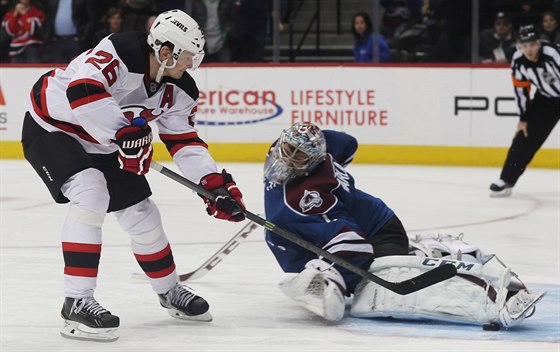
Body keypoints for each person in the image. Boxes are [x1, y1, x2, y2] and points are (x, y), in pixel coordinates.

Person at [20, 9, 246, 342]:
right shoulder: (120, 51)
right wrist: (123, 135)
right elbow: (82, 91)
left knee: (142, 211)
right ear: (165, 51)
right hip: (53, 128)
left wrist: (211, 184)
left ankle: (169, 291)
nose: (190, 65)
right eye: (186, 56)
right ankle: (76, 301)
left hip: (106, 141)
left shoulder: (181, 89)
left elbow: (184, 140)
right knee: (91, 190)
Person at [263, 122, 543, 328]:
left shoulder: (304, 198)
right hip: (372, 218)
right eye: (287, 148)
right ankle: (420, 251)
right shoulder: (316, 152)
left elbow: (354, 245)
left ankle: (443, 262)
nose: (287, 157)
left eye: (298, 155)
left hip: (378, 232)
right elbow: (347, 143)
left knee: (378, 292)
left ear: (312, 162)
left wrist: (332, 277)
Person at [490, 25, 560, 197]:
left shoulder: (553, 54)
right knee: (524, 137)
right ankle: (507, 179)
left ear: (539, 44)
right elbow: (521, 91)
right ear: (519, 46)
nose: (529, 49)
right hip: (547, 99)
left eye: (532, 45)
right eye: (524, 45)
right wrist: (523, 119)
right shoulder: (518, 60)